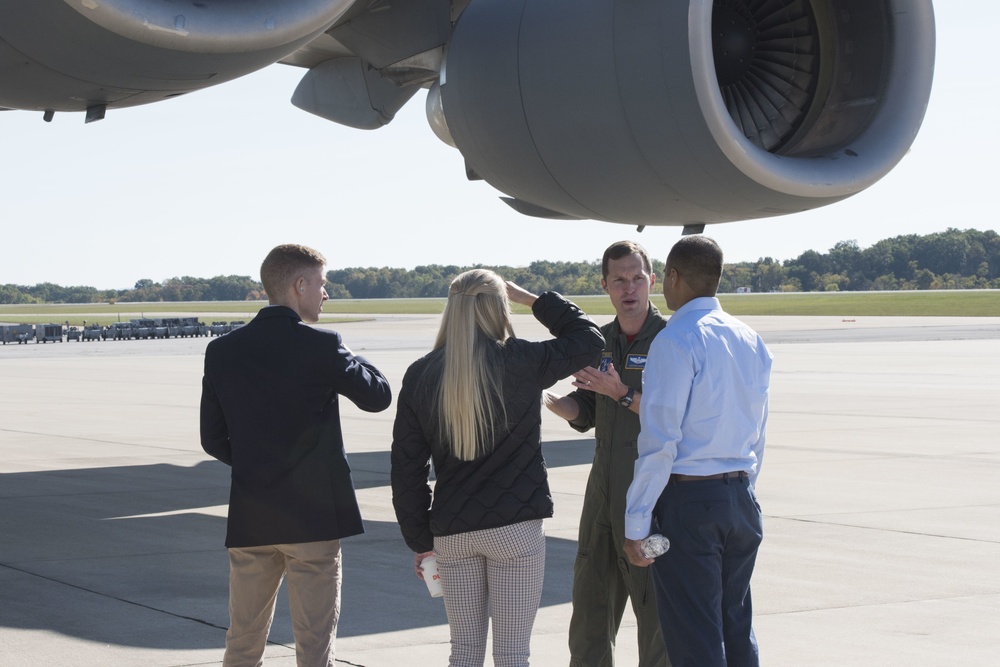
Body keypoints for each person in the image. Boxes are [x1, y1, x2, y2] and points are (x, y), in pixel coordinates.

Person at [390, 269, 604, 667]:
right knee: (511, 655)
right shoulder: (521, 359)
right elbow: (590, 340)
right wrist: (534, 300)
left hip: (453, 532)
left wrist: (420, 540)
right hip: (515, 529)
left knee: (464, 654)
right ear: (497, 309)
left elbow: (406, 467)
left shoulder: (421, 373)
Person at [200, 243, 392, 667]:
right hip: (313, 518)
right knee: (314, 645)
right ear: (300, 284)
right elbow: (378, 396)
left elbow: (212, 439)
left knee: (243, 642)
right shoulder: (322, 345)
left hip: (252, 515)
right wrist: (345, 351)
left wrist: (258, 464)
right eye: (322, 284)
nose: (326, 294)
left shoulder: (222, 350)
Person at [623, 236, 773, 667]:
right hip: (741, 500)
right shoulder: (750, 339)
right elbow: (759, 432)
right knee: (736, 630)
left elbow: (660, 440)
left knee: (695, 640)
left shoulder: (676, 339)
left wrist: (636, 522)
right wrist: (741, 493)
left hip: (691, 504)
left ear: (672, 276)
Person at [542, 241, 670, 667]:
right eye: (619, 279)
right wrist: (564, 408)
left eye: (637, 278)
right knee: (590, 609)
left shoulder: (671, 340)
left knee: (656, 616)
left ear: (652, 281)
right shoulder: (599, 340)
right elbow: (591, 412)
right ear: (605, 285)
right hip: (602, 494)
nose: (629, 287)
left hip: (652, 495)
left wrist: (622, 392)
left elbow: (677, 416)